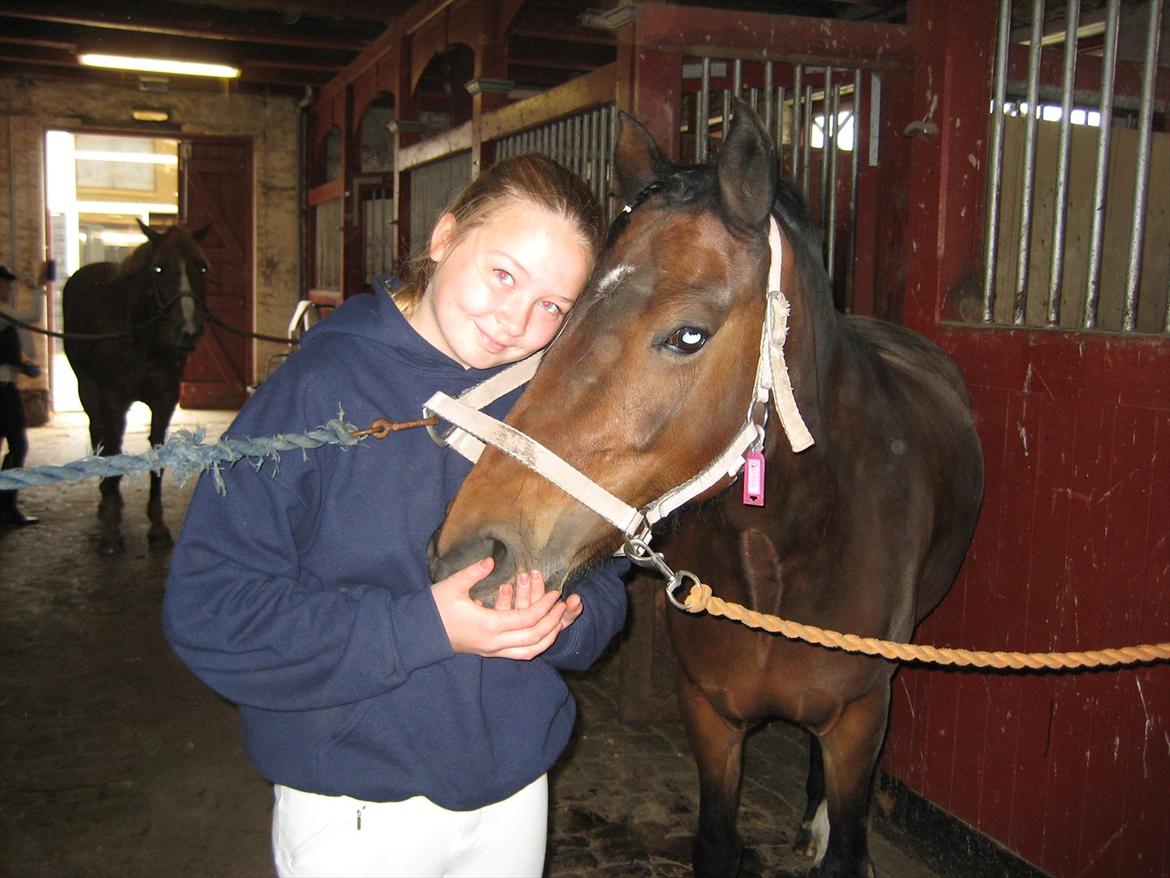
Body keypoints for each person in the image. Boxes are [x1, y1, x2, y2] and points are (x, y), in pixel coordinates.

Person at [162, 155, 628, 878]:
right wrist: (425, 628)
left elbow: (605, 578)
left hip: (511, 792)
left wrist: (559, 620)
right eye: (504, 274)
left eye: (554, 306)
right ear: (444, 238)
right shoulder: (316, 390)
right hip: (355, 807)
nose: (516, 321)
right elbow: (211, 609)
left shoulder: (555, 404)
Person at [0, 264, 42, 528]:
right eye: (2, 283)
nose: (6, 288)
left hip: (7, 386)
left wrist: (22, 365)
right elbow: (33, 314)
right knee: (18, 446)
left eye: (6, 284)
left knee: (16, 447)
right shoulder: (3, 312)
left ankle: (6, 504)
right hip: (3, 392)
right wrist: (39, 287)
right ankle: (7, 505)